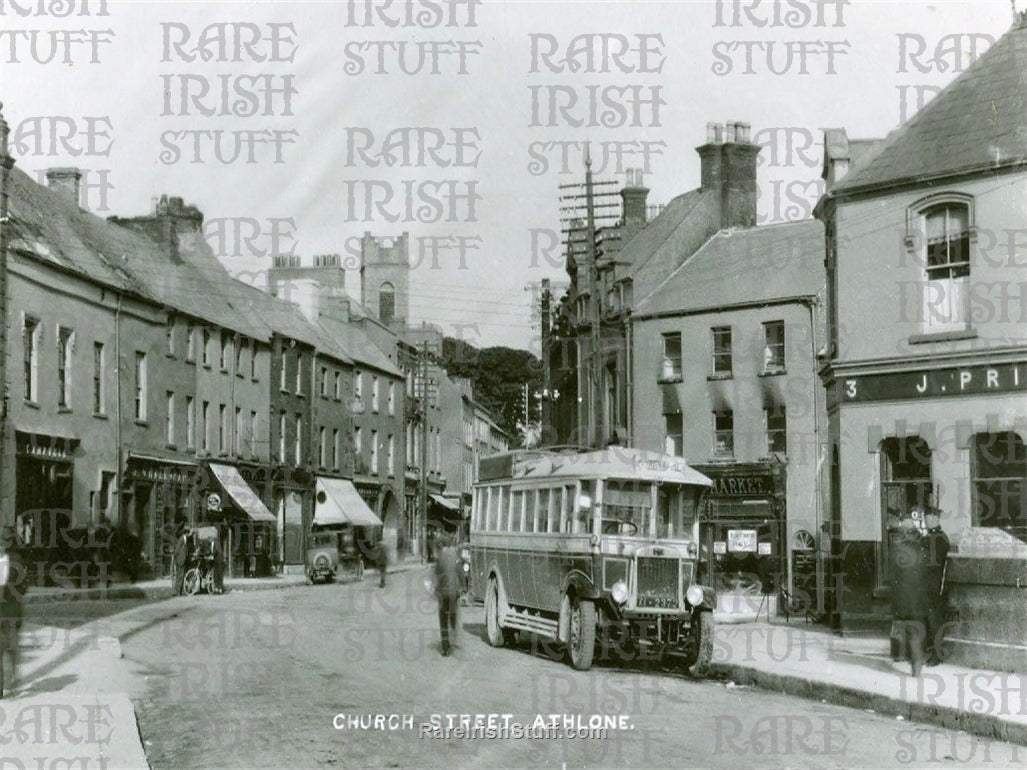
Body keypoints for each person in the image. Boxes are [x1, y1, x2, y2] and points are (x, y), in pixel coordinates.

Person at [0, 529, 26, 697]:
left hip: (11, 609)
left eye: (2, 543)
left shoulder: (16, 561)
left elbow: (23, 586)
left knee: (11, 646)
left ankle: (13, 675)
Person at [433, 532, 463, 656]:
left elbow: (436, 574)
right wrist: (463, 587)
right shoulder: (456, 557)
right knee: (453, 616)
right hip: (453, 593)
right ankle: (453, 635)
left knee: (443, 620)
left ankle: (445, 647)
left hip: (443, 594)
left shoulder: (439, 558)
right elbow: (460, 573)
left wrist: (436, 589)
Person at [172, 524, 190, 596]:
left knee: (180, 576)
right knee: (180, 576)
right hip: (180, 560)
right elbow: (177, 549)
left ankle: (179, 591)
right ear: (186, 533)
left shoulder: (184, 539)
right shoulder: (182, 539)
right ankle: (178, 592)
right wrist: (175, 557)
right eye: (189, 533)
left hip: (182, 559)